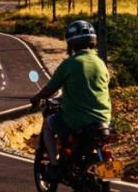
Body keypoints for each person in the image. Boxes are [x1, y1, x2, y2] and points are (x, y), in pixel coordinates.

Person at [29, 19, 112, 177]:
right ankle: (108, 176)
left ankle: (54, 165)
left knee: (48, 125)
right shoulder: (101, 64)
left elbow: (51, 89)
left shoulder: (70, 64)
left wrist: (37, 97)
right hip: (104, 119)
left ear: (71, 43)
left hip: (77, 120)